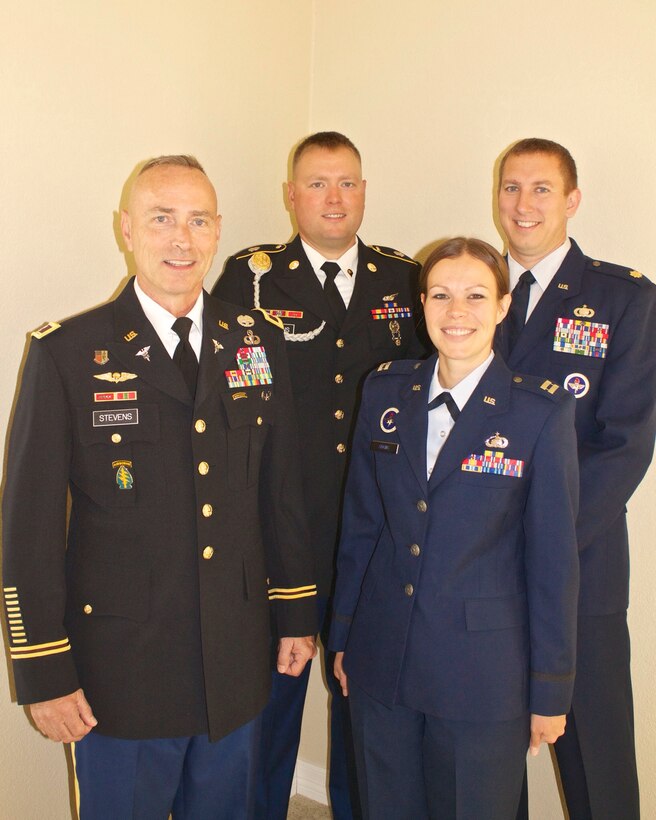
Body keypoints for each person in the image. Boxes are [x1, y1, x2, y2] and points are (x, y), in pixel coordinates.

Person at [1, 155, 317, 819]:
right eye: (162, 219)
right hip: (122, 671)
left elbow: (280, 491)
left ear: (218, 229)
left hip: (234, 662)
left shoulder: (256, 341)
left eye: (199, 220)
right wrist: (43, 672)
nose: (183, 239)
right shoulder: (65, 352)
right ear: (126, 228)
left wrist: (295, 611)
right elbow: (26, 527)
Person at [212, 131, 425, 819]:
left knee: (367, 717)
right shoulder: (251, 278)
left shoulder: (404, 279)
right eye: (317, 183)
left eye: (348, 183)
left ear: (364, 192)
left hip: (375, 538)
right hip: (281, 535)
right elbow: (223, 402)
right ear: (290, 194)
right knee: (269, 711)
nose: (334, 198)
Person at [329, 237, 580, 819]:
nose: (456, 312)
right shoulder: (386, 389)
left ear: (502, 305)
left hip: (481, 673)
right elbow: (362, 523)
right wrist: (342, 634)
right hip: (381, 655)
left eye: (474, 295)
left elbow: (554, 562)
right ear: (422, 305)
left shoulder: (539, 412)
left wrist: (551, 689)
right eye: (440, 295)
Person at [495, 138, 656, 820]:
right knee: (488, 748)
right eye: (510, 187)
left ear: (572, 200)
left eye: (540, 188)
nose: (523, 204)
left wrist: (546, 539)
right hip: (482, 571)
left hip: (580, 563)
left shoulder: (622, 298)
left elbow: (625, 442)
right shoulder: (474, 287)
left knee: (596, 756)